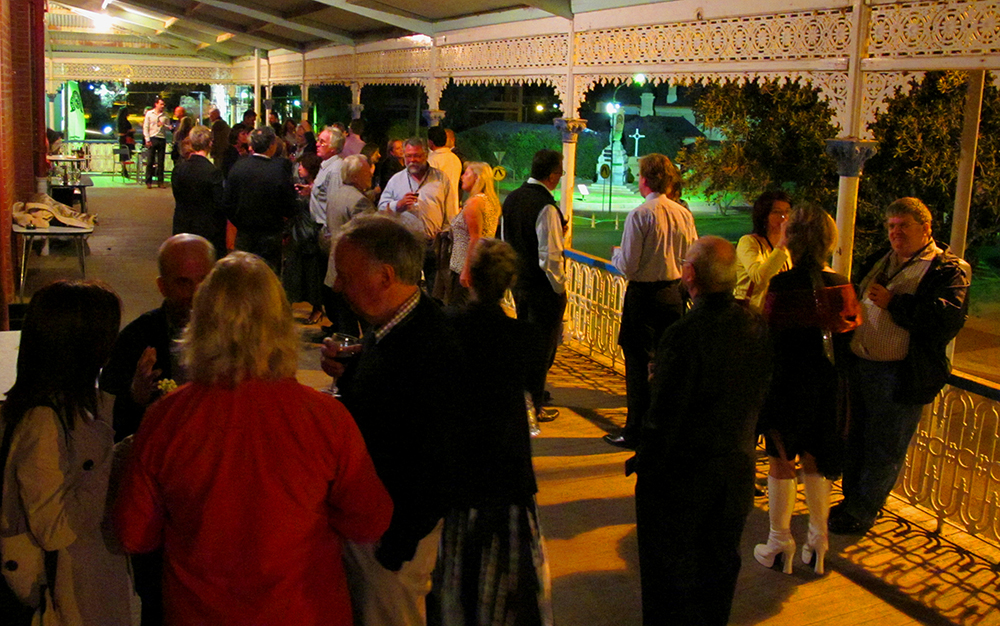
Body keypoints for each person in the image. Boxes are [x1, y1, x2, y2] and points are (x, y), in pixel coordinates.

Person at [114, 252, 392, 626]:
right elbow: (370, 521)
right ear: (280, 324)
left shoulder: (166, 418)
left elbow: (134, 534)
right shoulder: (326, 418)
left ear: (201, 321)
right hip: (304, 611)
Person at [320, 215, 462, 626]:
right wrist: (352, 374)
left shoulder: (432, 346)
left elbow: (438, 459)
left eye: (345, 276)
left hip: (394, 538)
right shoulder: (392, 329)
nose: (338, 287)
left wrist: (395, 546)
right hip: (376, 524)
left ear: (384, 277)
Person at [633, 236, 771, 626]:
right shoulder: (755, 326)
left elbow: (666, 414)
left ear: (689, 274)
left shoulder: (684, 335)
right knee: (719, 567)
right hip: (735, 470)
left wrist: (647, 462)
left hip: (685, 477)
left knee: (670, 575)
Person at [830, 197, 971, 535]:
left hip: (900, 375)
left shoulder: (947, 269)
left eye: (903, 226)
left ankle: (863, 511)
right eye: (891, 226)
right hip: (862, 366)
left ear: (926, 228)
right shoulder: (882, 259)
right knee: (857, 440)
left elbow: (944, 320)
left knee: (885, 445)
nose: (895, 233)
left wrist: (895, 303)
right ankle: (852, 501)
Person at [1, 280, 133, 625]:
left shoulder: (69, 404)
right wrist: (109, 461)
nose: (112, 345)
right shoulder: (43, 421)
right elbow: (55, 528)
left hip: (85, 582)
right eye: (107, 334)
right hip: (66, 596)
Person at [438, 239, 552, 626]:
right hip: (507, 465)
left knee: (456, 571)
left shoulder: (447, 327)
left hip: (459, 463)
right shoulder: (525, 338)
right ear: (508, 283)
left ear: (470, 278)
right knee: (506, 575)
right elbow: (531, 393)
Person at [753, 205, 861, 575]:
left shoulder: (783, 286)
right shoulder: (844, 285)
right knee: (818, 461)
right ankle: (818, 542)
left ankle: (778, 541)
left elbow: (768, 336)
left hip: (787, 385)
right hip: (831, 387)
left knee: (781, 461)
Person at [604, 153, 698, 449]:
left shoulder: (641, 215)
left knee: (637, 363)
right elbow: (692, 255)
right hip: (674, 293)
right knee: (667, 363)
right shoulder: (683, 214)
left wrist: (616, 254)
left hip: (643, 296)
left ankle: (635, 430)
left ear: (644, 180)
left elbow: (629, 265)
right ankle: (663, 426)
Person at [501, 149, 566, 423]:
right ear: (552, 175)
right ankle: (534, 405)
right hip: (542, 287)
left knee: (527, 343)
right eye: (560, 173)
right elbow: (550, 256)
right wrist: (559, 288)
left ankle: (527, 395)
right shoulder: (546, 207)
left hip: (519, 282)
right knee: (542, 348)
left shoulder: (512, 198)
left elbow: (504, 239)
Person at [378, 137, 454, 294]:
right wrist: (398, 205)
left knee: (436, 290)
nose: (412, 160)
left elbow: (450, 210)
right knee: (408, 288)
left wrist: (446, 234)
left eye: (417, 156)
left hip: (434, 244)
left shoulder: (441, 179)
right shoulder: (396, 180)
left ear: (426, 155)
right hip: (407, 244)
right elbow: (380, 209)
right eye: (408, 156)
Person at [223, 126, 297, 272]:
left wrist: (239, 220)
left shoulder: (239, 166)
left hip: (244, 232)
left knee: (244, 274)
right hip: (270, 234)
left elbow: (227, 202)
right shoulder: (278, 171)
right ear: (272, 145)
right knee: (267, 276)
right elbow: (289, 205)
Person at [323, 154, 375, 336]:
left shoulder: (335, 194)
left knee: (345, 329)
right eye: (366, 172)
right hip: (353, 274)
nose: (370, 175)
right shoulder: (359, 202)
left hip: (334, 270)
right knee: (369, 329)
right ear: (355, 176)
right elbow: (367, 239)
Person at [445, 161, 501, 306]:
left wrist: (466, 270)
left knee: (461, 312)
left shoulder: (474, 203)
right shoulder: (488, 201)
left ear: (477, 178)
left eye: (466, 173)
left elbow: (475, 238)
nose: (462, 177)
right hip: (482, 265)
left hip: (465, 266)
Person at [283, 152, 325, 325]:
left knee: (312, 275)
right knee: (293, 273)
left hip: (310, 235)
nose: (299, 168)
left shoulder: (318, 187)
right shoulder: (299, 185)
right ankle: (286, 308)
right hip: (297, 233)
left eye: (302, 166)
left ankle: (317, 308)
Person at [170, 125, 226, 254]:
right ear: (210, 144)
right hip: (207, 229)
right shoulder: (213, 172)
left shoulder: (179, 169)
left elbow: (177, 195)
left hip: (182, 225)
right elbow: (219, 203)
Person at [735, 191, 793, 311]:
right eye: (777, 212)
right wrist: (781, 243)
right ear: (764, 215)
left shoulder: (789, 246)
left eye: (787, 211)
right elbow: (759, 277)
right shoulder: (749, 242)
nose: (784, 218)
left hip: (778, 313)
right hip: (753, 313)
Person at [427, 126, 462, 223]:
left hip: (436, 209)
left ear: (430, 142)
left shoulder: (431, 160)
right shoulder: (455, 159)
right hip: (453, 206)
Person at [143, 96, 170, 188]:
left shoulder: (165, 115)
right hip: (152, 138)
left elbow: (169, 127)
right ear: (156, 104)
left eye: (164, 105)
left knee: (161, 161)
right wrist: (147, 139)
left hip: (162, 138)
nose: (162, 106)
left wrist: (164, 125)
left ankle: (160, 181)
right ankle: (148, 181)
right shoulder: (150, 114)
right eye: (161, 104)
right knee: (150, 161)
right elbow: (146, 127)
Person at [116, 106, 134, 179]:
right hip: (126, 139)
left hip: (121, 139)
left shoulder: (118, 121)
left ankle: (123, 169)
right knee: (125, 154)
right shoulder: (124, 121)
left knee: (122, 155)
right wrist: (131, 131)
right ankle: (124, 171)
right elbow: (125, 130)